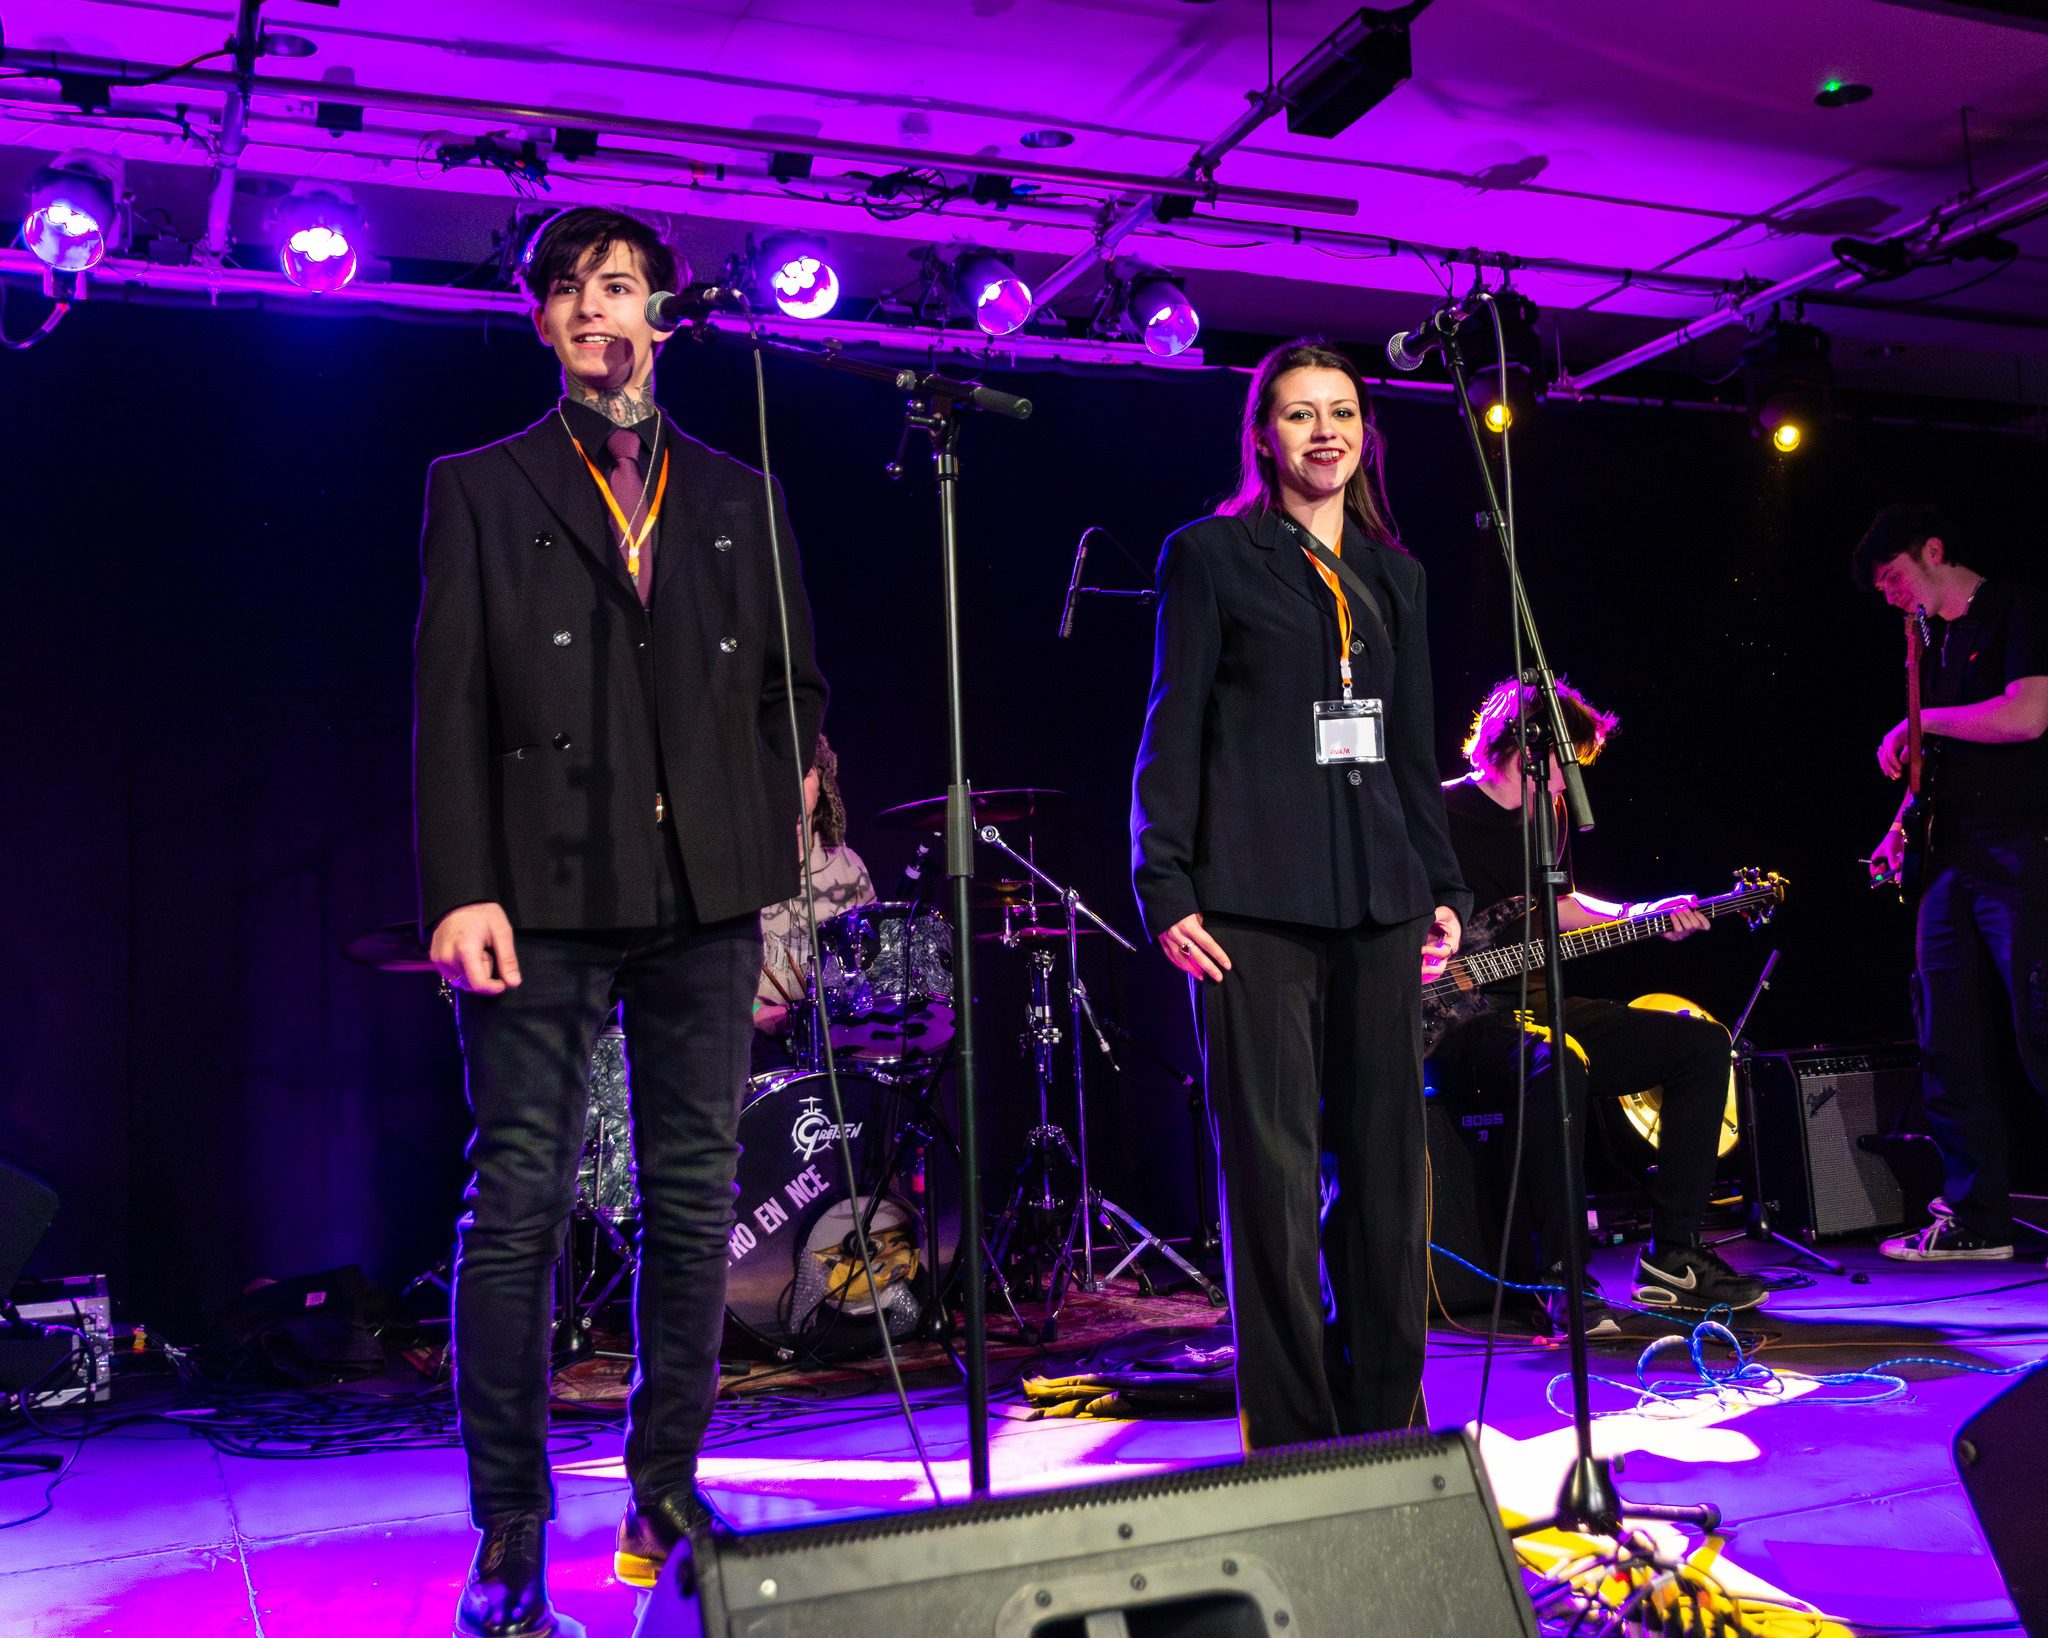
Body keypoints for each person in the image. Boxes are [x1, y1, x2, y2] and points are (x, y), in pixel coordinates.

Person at [414, 205, 826, 1637]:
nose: (603, 312)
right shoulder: (480, 484)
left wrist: (758, 818)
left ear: (661, 314)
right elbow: (449, 699)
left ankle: (667, 1485)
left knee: (694, 1198)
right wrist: (461, 883)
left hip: (704, 897)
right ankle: (509, 1530)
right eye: (575, 293)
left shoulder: (734, 491)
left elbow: (797, 689)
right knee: (520, 1197)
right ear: (542, 322)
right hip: (536, 893)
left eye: (626, 289)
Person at [1130, 338, 1469, 1451]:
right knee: (1271, 1181)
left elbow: (1411, 748)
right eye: (1296, 414)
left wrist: (1440, 882)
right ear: (1261, 435)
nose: (1323, 431)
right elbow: (1170, 727)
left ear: (1365, 433)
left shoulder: (1396, 575)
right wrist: (1163, 878)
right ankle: (1287, 1432)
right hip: (1246, 908)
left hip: (1377, 899)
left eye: (1341, 412)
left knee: (1384, 1175)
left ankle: (1387, 1425)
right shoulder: (1211, 556)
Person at [1431, 679, 1768, 1330]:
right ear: (1523, 745)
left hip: (1535, 1001)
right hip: (1450, 1020)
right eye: (1565, 767)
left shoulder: (1546, 816)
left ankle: (1675, 1255)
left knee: (1700, 1045)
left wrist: (1645, 914)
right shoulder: (1436, 811)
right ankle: (1557, 1279)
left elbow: (1560, 907)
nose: (1568, 787)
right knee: (1555, 1061)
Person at [1858, 504, 2048, 1263]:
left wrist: (1924, 720)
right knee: (1949, 1039)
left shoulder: (2017, 607)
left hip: (2021, 849)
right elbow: (1936, 770)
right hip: (1952, 860)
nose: (1892, 596)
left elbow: (2030, 714)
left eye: (1896, 577)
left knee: (2039, 1024)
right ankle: (1976, 1218)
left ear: (1934, 550)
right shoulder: (1928, 644)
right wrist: (1900, 825)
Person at [754, 732, 876, 1062]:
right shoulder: (737, 868)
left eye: (805, 773)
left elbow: (873, 968)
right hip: (753, 1042)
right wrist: (754, 1012)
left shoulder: (849, 869)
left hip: (835, 1043)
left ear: (822, 783)